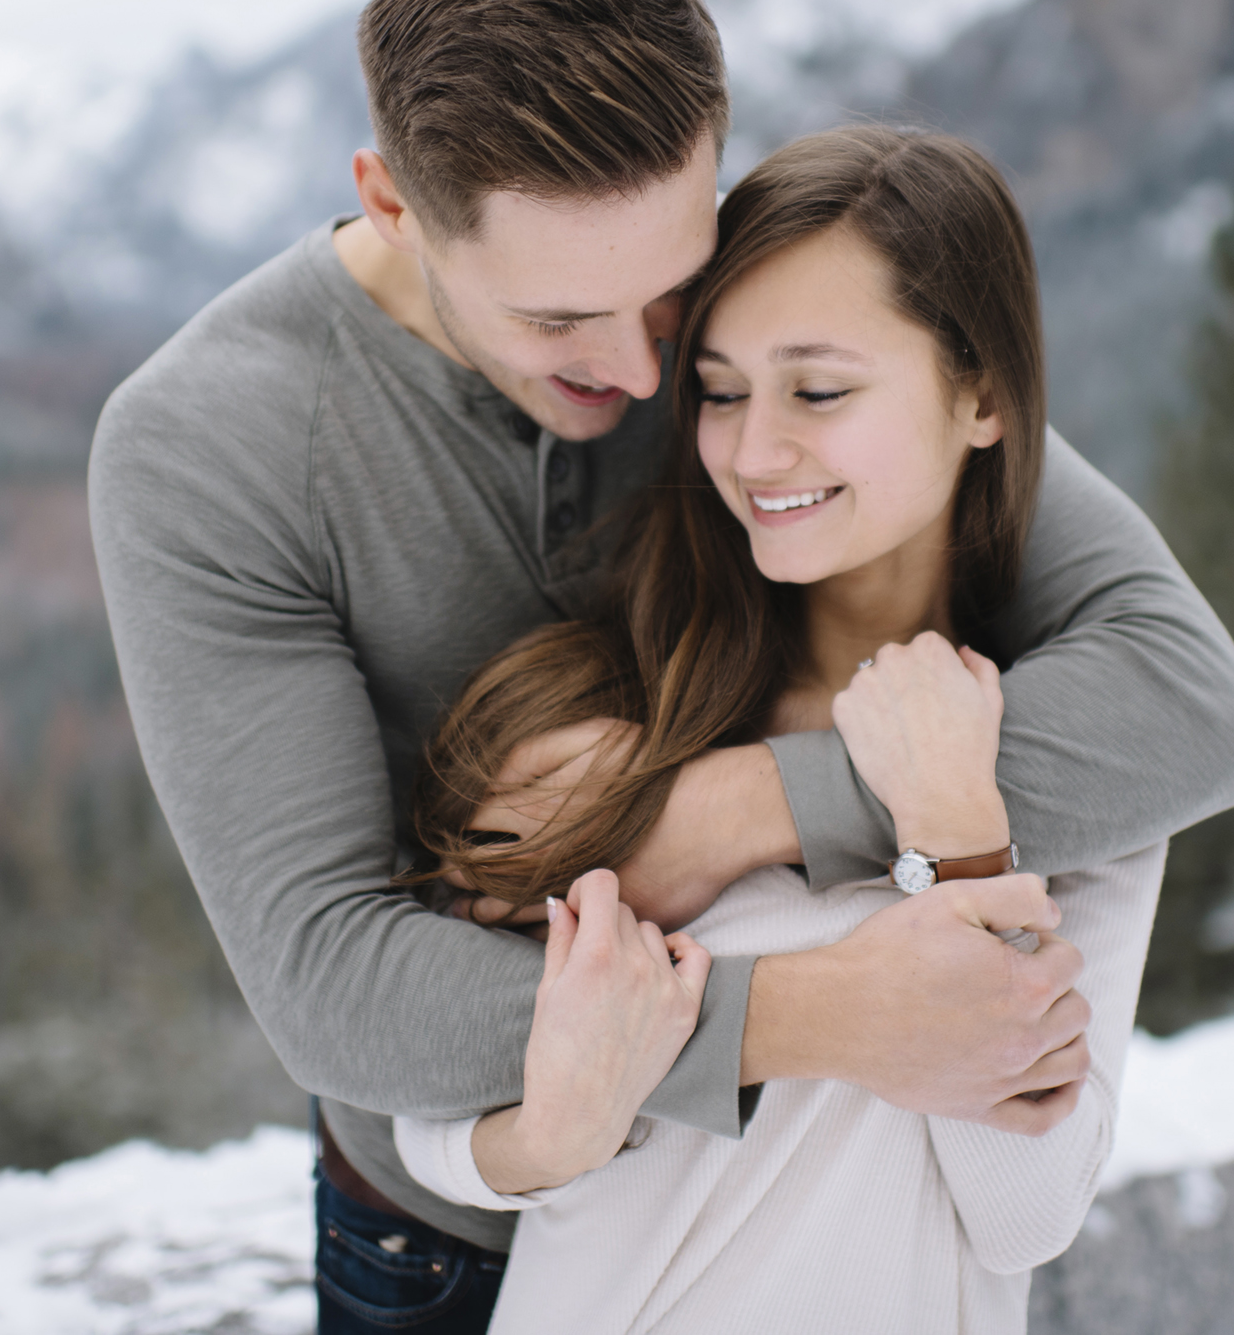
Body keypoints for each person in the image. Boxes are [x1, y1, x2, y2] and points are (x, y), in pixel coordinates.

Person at [86, 0, 1234, 1335]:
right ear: (395, 205)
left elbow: (1190, 706)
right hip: (458, 1234)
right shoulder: (210, 443)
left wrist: (724, 810)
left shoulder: (763, 336)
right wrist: (831, 1015)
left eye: (673, 299)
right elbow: (333, 983)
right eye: (559, 323)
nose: (650, 378)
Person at [393, 126, 1161, 1334]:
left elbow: (1029, 1210)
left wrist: (959, 832)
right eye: (719, 391)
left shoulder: (1078, 769)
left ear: (983, 396)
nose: (753, 451)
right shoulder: (599, 719)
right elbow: (431, 1113)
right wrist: (552, 1131)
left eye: (818, 389)